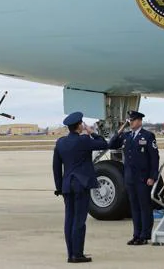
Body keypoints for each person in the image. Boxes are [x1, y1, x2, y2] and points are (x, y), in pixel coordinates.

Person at [53, 112, 108, 264]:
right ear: (79, 126)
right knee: (79, 221)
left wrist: (59, 187)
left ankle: (71, 253)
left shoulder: (60, 142)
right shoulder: (84, 140)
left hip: (67, 186)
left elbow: (56, 167)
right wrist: (92, 133)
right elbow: (104, 144)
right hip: (81, 185)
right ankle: (77, 254)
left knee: (69, 220)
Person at [108, 111, 159, 246]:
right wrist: (120, 129)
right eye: (130, 120)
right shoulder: (126, 136)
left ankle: (145, 235)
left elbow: (154, 158)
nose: (131, 123)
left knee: (144, 206)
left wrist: (153, 176)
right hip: (130, 178)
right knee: (134, 207)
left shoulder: (148, 136)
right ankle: (136, 234)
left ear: (140, 121)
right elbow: (111, 144)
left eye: (133, 120)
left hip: (143, 178)